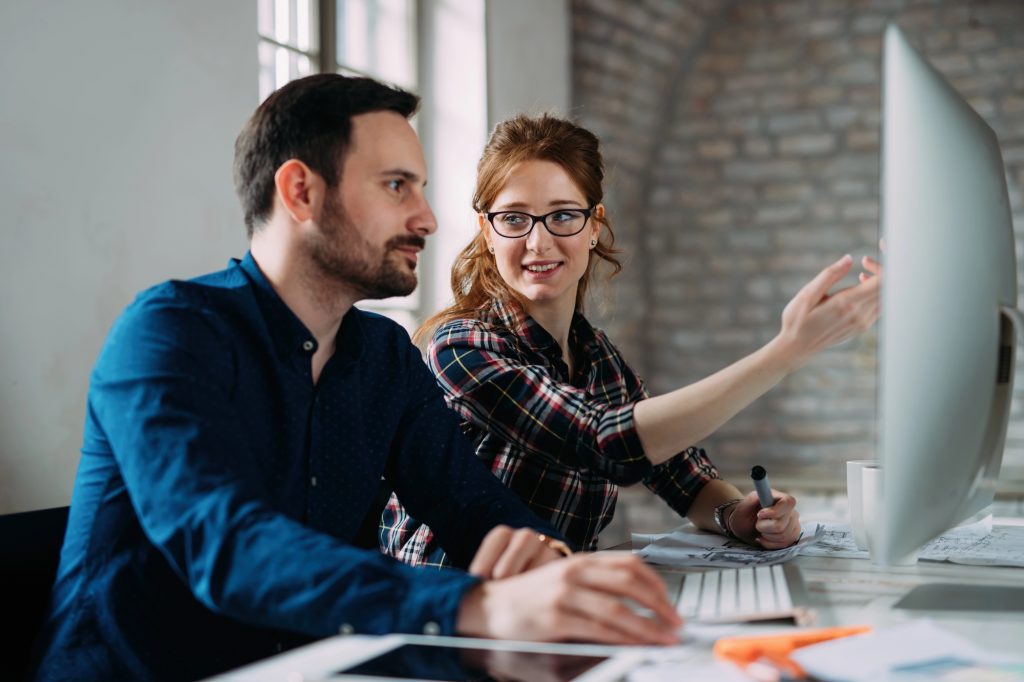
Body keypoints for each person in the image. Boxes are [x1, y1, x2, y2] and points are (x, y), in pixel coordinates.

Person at [31, 78, 683, 682]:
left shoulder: (383, 354)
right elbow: (228, 544)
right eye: (397, 185)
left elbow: (474, 508)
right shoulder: (170, 332)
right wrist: (477, 609)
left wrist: (555, 574)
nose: (427, 218)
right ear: (301, 192)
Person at [382, 114, 880, 566]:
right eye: (513, 219)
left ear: (594, 226)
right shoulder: (461, 346)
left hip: (551, 606)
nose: (538, 241)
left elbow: (682, 475)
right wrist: (787, 351)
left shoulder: (599, 359)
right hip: (447, 610)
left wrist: (737, 514)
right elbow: (605, 442)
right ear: (487, 231)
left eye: (562, 215)